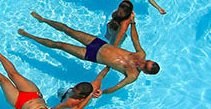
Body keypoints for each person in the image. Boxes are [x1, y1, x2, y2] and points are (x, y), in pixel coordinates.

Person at [19, 12, 159, 94]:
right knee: (69, 30)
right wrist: (133, 23)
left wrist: (102, 91)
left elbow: (117, 87)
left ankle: (29, 36)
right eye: (147, 61)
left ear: (145, 72)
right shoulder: (140, 54)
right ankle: (43, 20)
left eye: (144, 66)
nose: (142, 62)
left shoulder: (132, 75)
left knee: (60, 45)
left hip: (92, 55)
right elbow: (135, 39)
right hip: (99, 44)